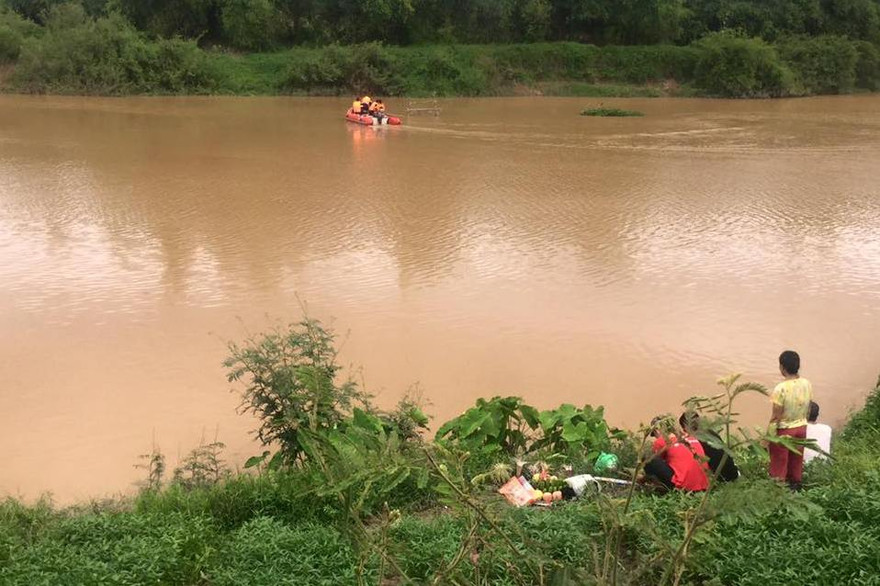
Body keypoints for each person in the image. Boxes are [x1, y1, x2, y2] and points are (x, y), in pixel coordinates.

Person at [768, 350, 813, 490]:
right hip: (801, 427)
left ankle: (778, 488)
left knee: (779, 461)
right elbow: (809, 407)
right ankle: (795, 486)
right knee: (796, 459)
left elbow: (776, 416)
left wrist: (768, 436)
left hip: (785, 430)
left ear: (782, 367)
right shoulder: (806, 383)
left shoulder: (781, 388)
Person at [643, 415, 709, 492]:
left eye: (655, 434)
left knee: (647, 457)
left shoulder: (662, 440)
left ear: (657, 430)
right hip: (704, 485)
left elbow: (656, 463)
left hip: (683, 487)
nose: (656, 437)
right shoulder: (690, 437)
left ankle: (657, 487)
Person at [679, 411, 739, 482]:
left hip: (719, 478)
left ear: (685, 428)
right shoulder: (712, 433)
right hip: (733, 472)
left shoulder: (693, 441)